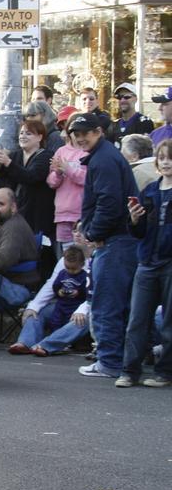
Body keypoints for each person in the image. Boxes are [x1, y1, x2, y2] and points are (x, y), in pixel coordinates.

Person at [69, 112, 139, 378]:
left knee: (107, 304)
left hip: (114, 240)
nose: (80, 138)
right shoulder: (104, 156)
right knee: (119, 304)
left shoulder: (104, 160)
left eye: (85, 132)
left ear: (99, 131)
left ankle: (110, 361)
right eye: (76, 134)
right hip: (118, 239)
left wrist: (94, 232)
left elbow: (109, 203)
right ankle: (123, 359)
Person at [118, 139, 172, 388]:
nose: (166, 162)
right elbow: (138, 232)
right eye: (162, 158)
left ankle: (164, 372)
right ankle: (130, 371)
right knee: (137, 319)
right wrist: (134, 218)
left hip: (169, 262)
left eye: (170, 158)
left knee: (169, 323)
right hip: (147, 261)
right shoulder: (150, 190)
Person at [10, 246, 89, 355]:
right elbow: (52, 284)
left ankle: (46, 345)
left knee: (82, 320)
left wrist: (82, 310)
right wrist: (34, 306)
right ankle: (25, 342)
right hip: (63, 303)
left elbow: (97, 293)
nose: (78, 235)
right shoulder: (65, 260)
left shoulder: (98, 260)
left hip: (85, 305)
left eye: (82, 232)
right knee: (37, 312)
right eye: (75, 231)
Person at [0, 188, 40, 311]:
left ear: (13, 207)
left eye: (0, 204)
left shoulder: (14, 227)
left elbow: (1, 261)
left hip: (18, 288)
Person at [0, 119, 55, 241]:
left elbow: (31, 177)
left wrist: (7, 163)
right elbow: (5, 184)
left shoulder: (46, 156)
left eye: (28, 133)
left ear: (40, 137)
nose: (23, 136)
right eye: (21, 133)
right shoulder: (15, 155)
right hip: (17, 213)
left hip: (37, 215)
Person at [47, 118, 88, 249]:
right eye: (73, 131)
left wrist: (68, 169)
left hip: (82, 212)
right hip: (62, 213)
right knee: (67, 256)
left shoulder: (88, 151)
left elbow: (87, 179)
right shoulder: (61, 151)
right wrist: (58, 173)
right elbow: (51, 182)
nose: (77, 135)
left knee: (83, 254)